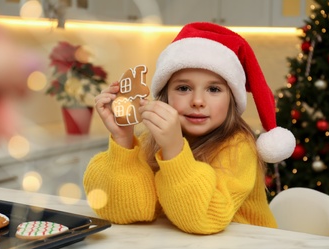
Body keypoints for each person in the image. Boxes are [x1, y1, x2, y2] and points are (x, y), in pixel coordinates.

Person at [84, 22, 295, 234]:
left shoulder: (238, 146)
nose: (197, 101)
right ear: (165, 96)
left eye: (213, 89)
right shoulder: (153, 137)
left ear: (232, 100)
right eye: (183, 88)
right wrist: (123, 139)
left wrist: (174, 150)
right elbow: (128, 209)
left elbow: (205, 220)